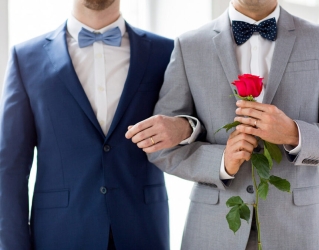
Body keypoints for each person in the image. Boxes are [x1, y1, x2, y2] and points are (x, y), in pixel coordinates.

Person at [129, 0, 319, 249]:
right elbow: (162, 148)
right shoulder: (189, 45)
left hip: (301, 231)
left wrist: (293, 134)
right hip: (212, 232)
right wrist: (220, 162)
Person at [0, 0, 193, 249]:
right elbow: (9, 170)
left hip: (142, 231)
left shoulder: (165, 52)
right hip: (60, 234)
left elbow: (197, 123)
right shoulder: (25, 58)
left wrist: (185, 129)